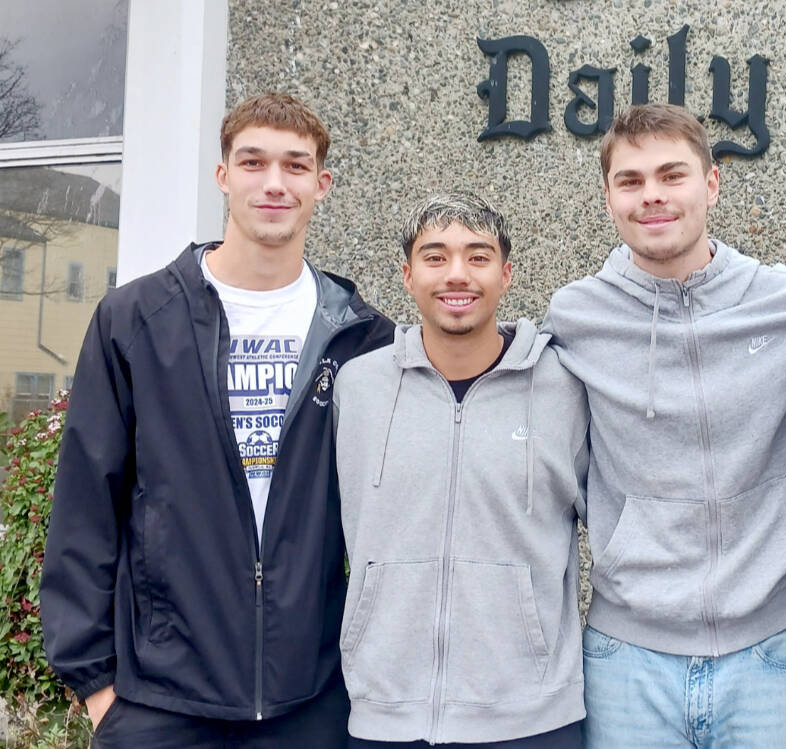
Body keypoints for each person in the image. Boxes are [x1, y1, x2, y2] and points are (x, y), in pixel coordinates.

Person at [40, 93, 394, 748]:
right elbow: (86, 503)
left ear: (321, 184)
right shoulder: (136, 320)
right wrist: (96, 687)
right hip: (161, 703)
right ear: (223, 175)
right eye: (253, 162)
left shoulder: (361, 337)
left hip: (309, 701)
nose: (274, 183)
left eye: (295, 165)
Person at [542, 103, 786, 748]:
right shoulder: (575, 317)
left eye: (672, 175)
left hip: (770, 649)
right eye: (630, 180)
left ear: (711, 183)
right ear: (609, 196)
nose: (652, 195)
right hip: (627, 656)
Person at [332, 192, 588, 749]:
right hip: (384, 715)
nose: (456, 274)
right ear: (407, 275)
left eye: (478, 256)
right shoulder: (359, 387)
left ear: (506, 275)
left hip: (531, 719)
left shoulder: (564, 389)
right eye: (435, 256)